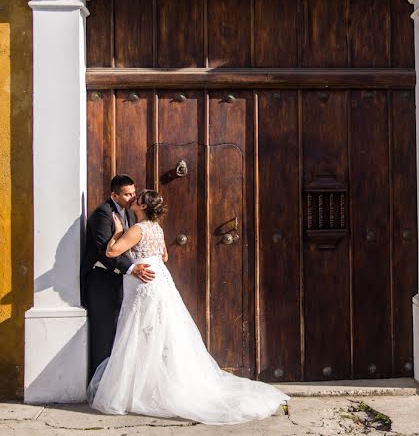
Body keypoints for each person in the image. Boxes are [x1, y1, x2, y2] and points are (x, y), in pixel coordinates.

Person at [88, 189, 289, 425]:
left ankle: (140, 389)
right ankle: (151, 385)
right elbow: (163, 257)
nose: (133, 199)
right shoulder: (157, 229)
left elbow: (112, 251)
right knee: (159, 332)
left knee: (140, 332)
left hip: (144, 284)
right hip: (159, 278)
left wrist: (119, 231)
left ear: (142, 206)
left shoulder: (137, 229)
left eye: (137, 198)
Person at [81, 174, 156, 378]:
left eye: (134, 192)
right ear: (114, 194)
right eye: (127, 194)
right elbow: (106, 251)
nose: (133, 197)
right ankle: (100, 382)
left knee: (120, 330)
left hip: (120, 281)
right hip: (102, 280)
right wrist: (133, 268)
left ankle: (118, 379)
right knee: (104, 331)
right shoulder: (102, 214)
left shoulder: (131, 213)